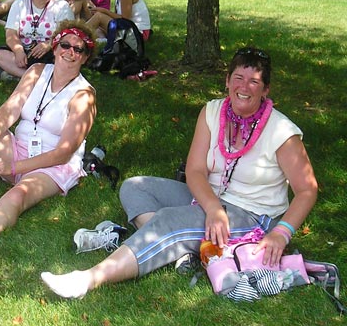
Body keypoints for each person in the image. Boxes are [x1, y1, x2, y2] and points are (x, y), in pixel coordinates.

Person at [40, 47, 318, 299]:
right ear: (227, 81)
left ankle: (88, 279)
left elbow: (307, 190)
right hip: (211, 200)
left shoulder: (281, 131)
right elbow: (195, 170)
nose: (244, 87)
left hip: (253, 215)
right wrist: (212, 208)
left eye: (254, 82)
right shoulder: (213, 111)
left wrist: (282, 233)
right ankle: (182, 249)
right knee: (134, 187)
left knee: (169, 220)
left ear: (265, 89)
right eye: (238, 78)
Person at [0, 20, 97, 263]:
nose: (70, 52)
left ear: (85, 57)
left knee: (19, 195)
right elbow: (9, 111)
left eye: (78, 49)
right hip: (19, 149)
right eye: (65, 45)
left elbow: (63, 153)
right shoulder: (37, 71)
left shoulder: (83, 97)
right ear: (55, 46)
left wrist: (12, 169)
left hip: (52, 165)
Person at [0, 0, 75, 81]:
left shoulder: (61, 6)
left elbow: (69, 35)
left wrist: (49, 44)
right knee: (0, 54)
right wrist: (18, 51)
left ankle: (19, 75)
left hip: (50, 52)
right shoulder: (20, 4)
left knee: (65, 57)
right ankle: (34, 78)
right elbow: (11, 33)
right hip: (25, 51)